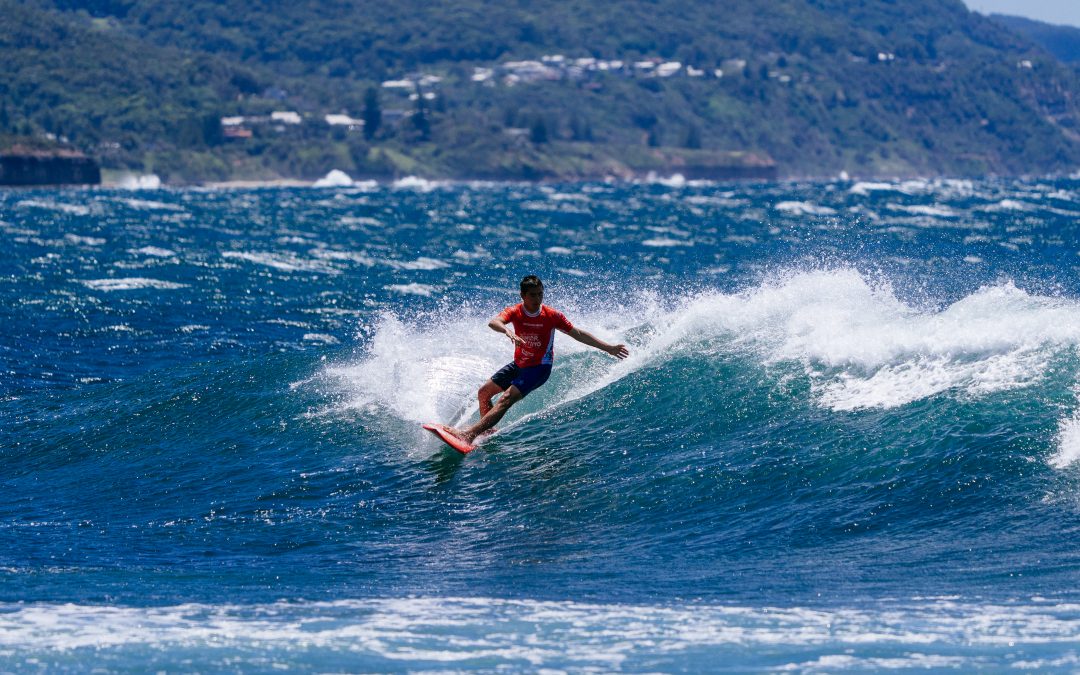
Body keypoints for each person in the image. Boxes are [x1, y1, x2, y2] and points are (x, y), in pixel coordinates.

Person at [447, 275, 629, 444]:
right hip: (519, 364)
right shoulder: (515, 311)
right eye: (533, 295)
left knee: (505, 399)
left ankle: (469, 435)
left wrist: (609, 348)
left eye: (540, 294)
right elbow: (494, 322)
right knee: (484, 393)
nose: (537, 299)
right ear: (523, 295)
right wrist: (507, 330)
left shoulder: (551, 316)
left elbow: (578, 334)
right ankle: (487, 431)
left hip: (539, 368)